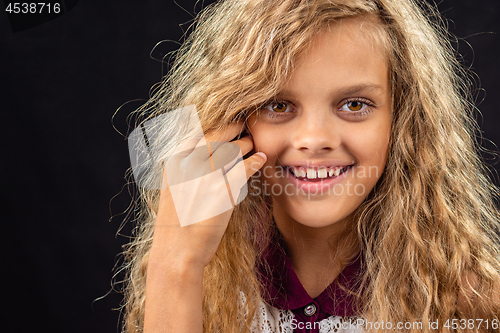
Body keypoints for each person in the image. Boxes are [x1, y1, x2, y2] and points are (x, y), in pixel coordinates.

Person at [120, 0, 500, 332]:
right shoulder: (200, 285)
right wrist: (176, 261)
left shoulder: (472, 304)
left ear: (402, 122)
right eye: (278, 105)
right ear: (234, 121)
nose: (315, 139)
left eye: (354, 105)